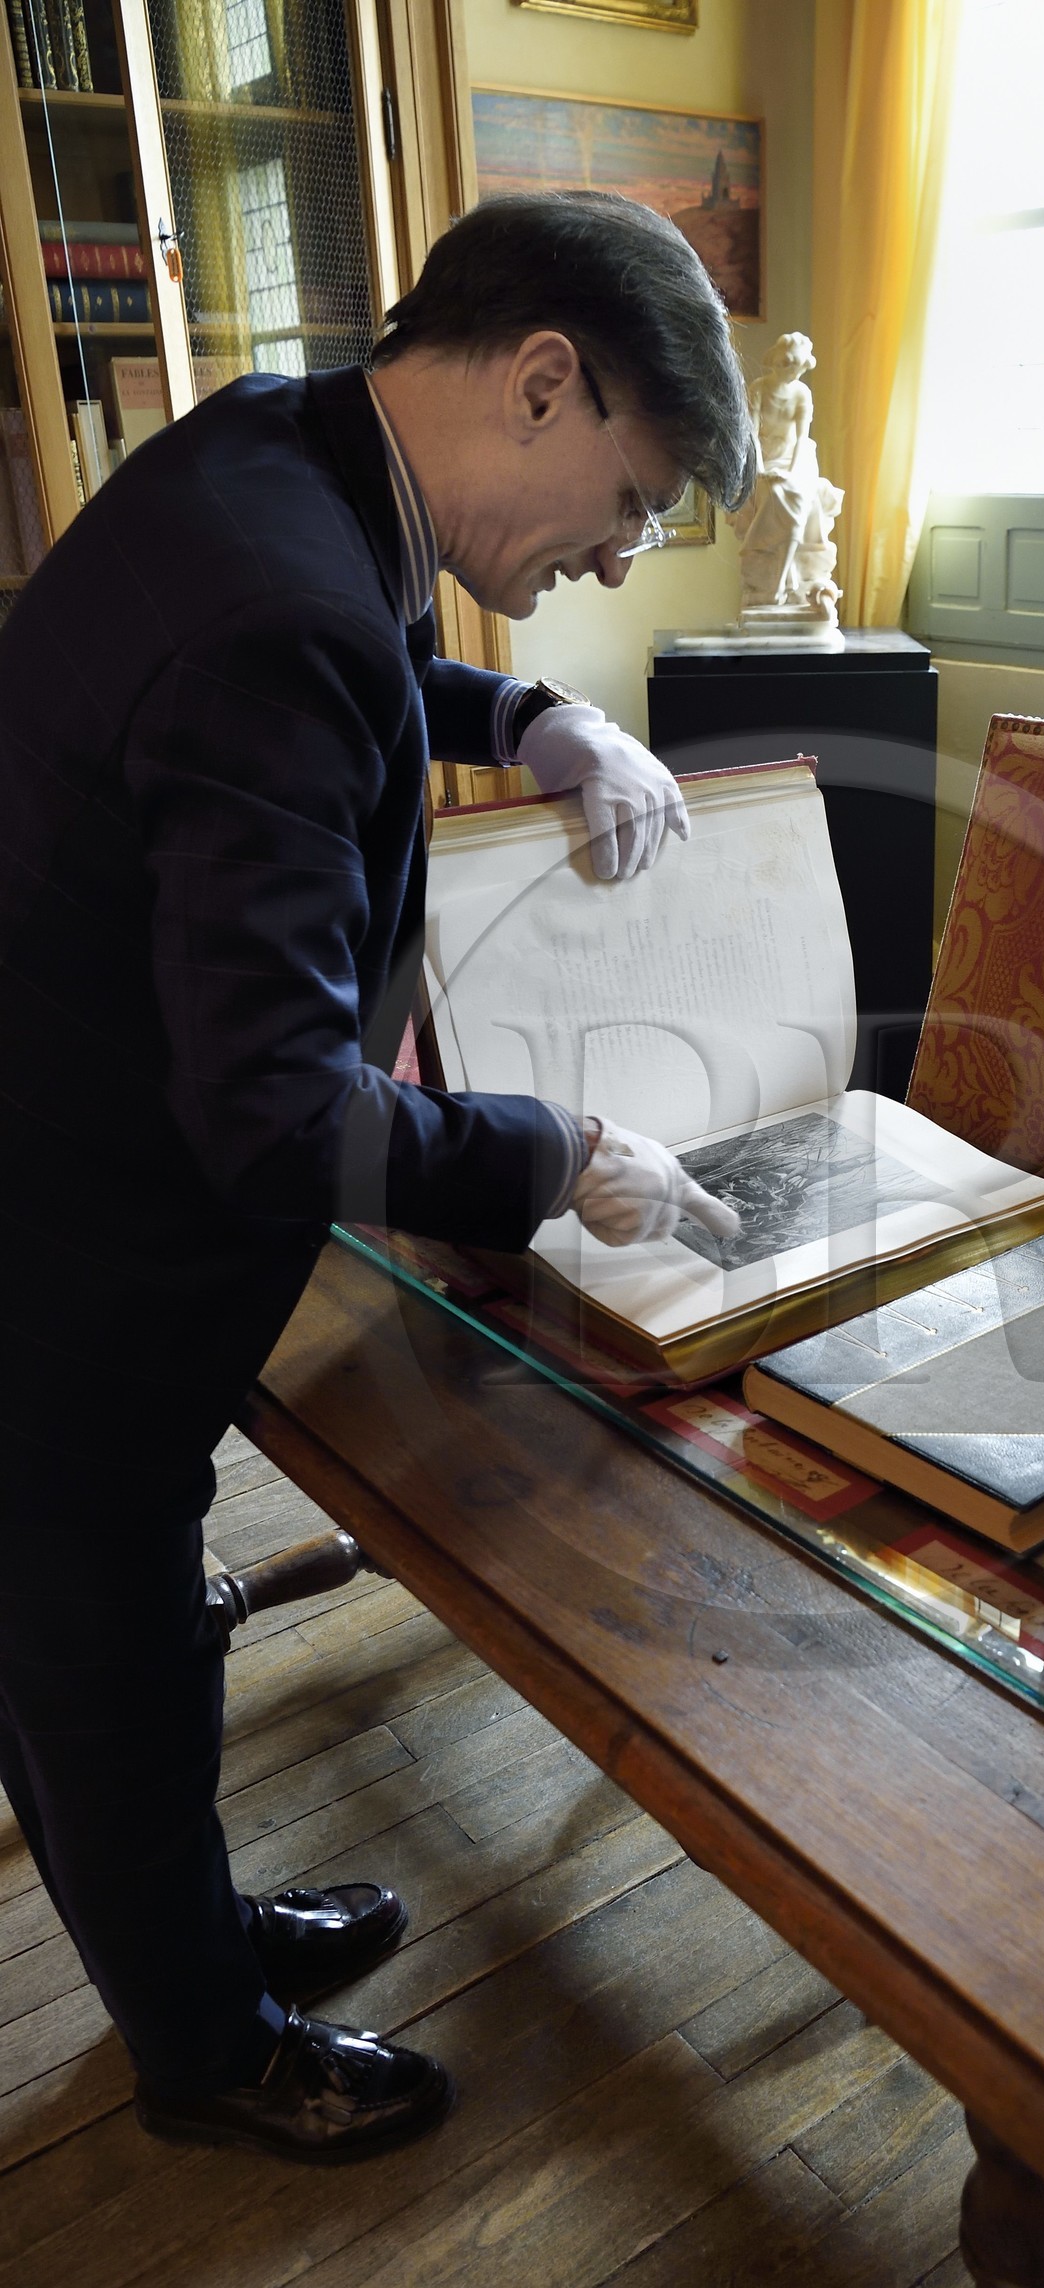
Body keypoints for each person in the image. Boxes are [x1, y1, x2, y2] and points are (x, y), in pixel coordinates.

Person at [0, 192, 752, 2161]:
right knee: (105, 1629)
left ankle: (190, 1934)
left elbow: (341, 677)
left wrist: (521, 711)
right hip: (67, 1239)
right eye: (625, 502)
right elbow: (268, 1107)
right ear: (539, 379)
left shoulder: (283, 454)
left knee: (99, 1618)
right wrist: (554, 1155)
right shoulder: (287, 598)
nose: (605, 563)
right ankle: (203, 2048)